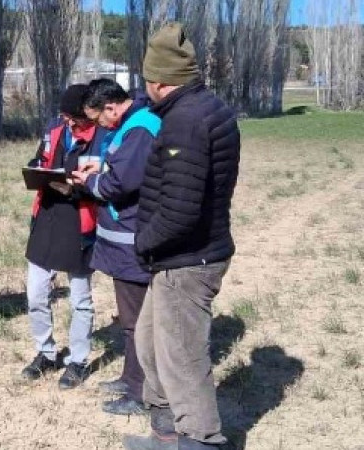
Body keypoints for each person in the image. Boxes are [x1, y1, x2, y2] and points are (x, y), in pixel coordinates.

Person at [122, 23, 241, 450]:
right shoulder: (206, 109)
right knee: (150, 345)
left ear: (158, 81)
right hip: (180, 257)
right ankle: (165, 436)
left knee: (183, 360)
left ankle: (199, 440)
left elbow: (181, 210)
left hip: (188, 260)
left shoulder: (185, 123)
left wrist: (142, 242)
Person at [70, 78, 160, 415]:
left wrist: (91, 181)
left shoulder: (140, 127)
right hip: (121, 241)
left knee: (136, 319)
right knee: (128, 316)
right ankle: (130, 377)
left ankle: (140, 394)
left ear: (110, 107)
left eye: (98, 119)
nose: (99, 126)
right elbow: (124, 167)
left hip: (131, 242)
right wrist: (102, 166)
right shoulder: (132, 124)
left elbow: (121, 184)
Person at [20, 84, 103, 389]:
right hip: (47, 217)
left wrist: (77, 187)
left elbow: (109, 181)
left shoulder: (102, 136)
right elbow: (41, 158)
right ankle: (45, 352)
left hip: (80, 221)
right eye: (66, 117)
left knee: (80, 299)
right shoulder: (55, 128)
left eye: (76, 119)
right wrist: (36, 170)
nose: (69, 124)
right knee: (36, 292)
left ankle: (78, 360)